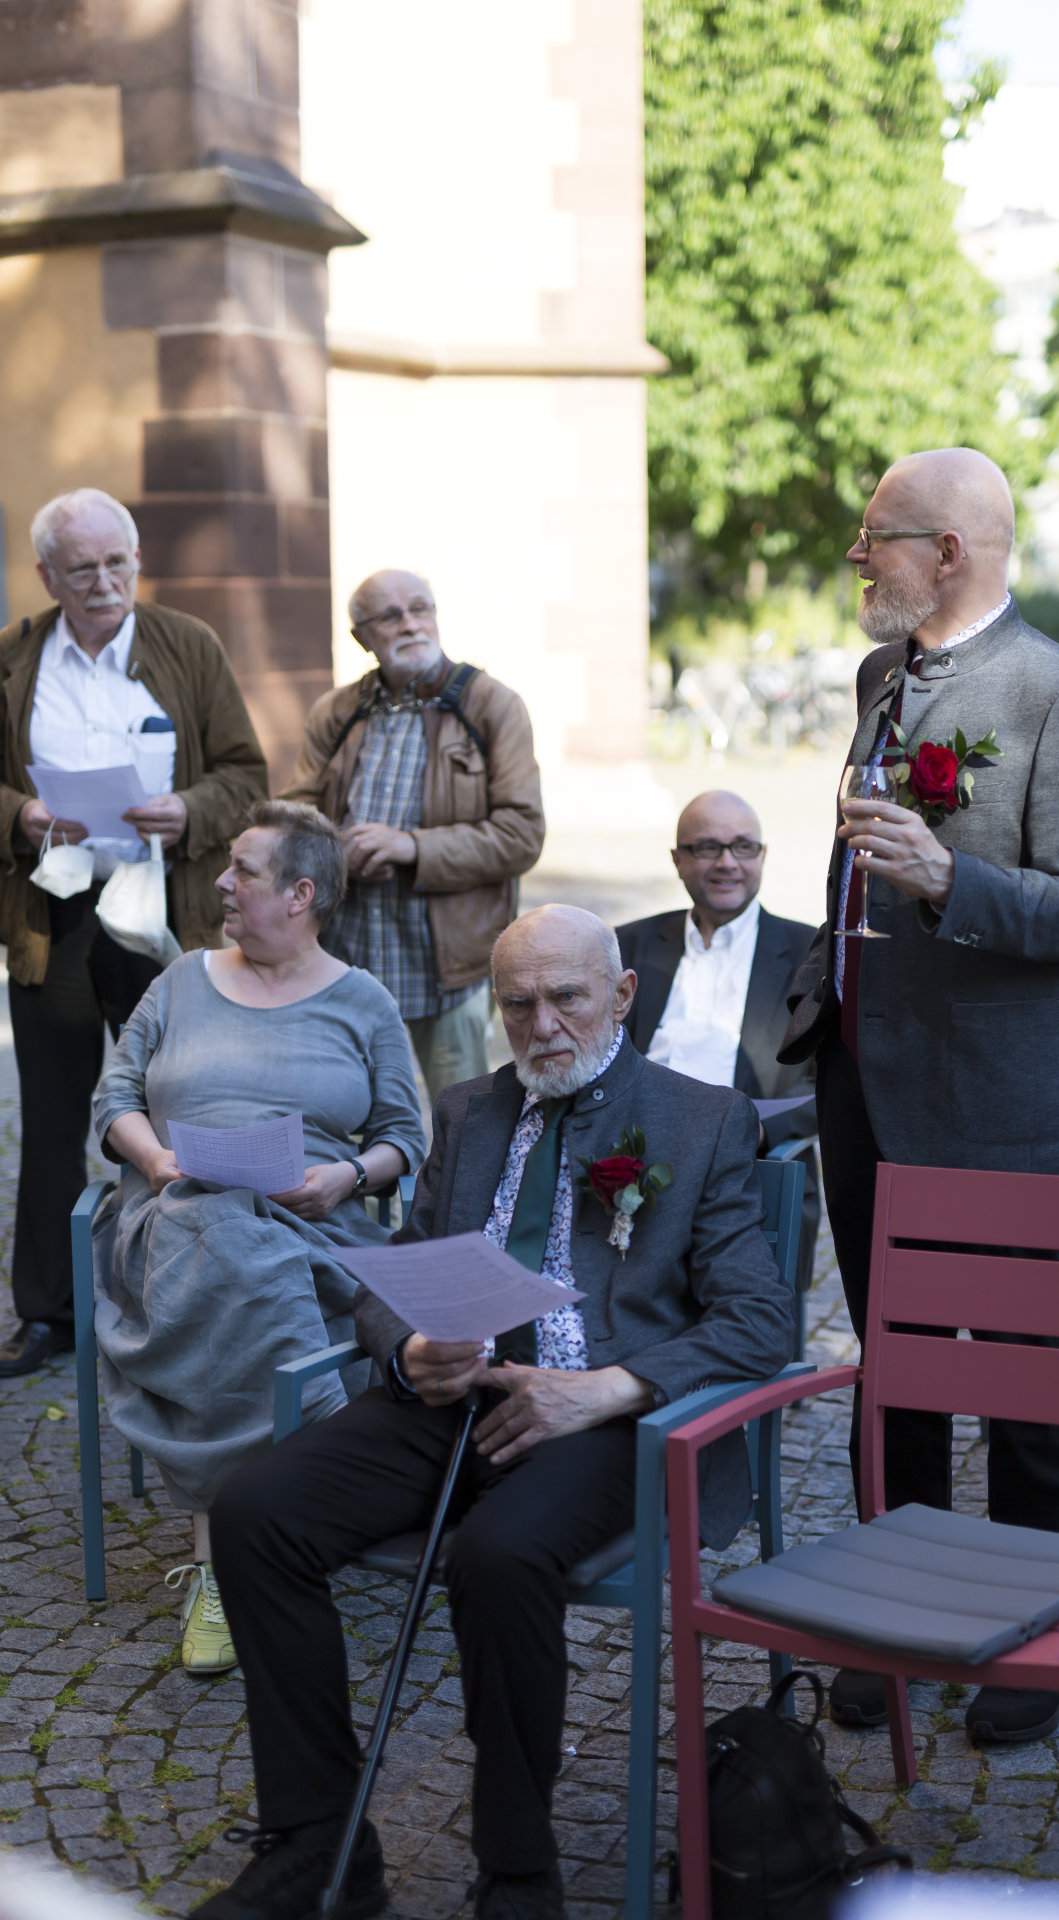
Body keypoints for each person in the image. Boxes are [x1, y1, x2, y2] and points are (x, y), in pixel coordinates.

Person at [202, 904, 794, 1920]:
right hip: (456, 1399)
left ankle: (518, 1869)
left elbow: (760, 1321)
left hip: (611, 1419)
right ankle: (316, 1845)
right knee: (255, 1513)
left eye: (565, 998)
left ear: (619, 996)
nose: (541, 1026)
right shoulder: (469, 1110)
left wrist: (609, 1389)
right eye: (516, 1004)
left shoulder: (700, 1122)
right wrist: (408, 1347)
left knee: (499, 1553)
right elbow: (392, 1275)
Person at [779, 448, 1059, 1746]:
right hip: (864, 1088)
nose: (857, 557)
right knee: (897, 1374)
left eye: (877, 536)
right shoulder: (885, 678)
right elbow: (850, 867)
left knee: (1030, 1389)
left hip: (1000, 1108)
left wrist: (948, 878)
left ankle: (1038, 1640)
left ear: (951, 552)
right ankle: (897, 1626)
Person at [92, 801, 426, 1673]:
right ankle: (272, 1520)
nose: (221, 883)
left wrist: (345, 1177)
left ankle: (231, 1550)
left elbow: (407, 1135)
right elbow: (113, 1099)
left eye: (243, 869)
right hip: (168, 1216)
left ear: (301, 894)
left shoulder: (364, 1001)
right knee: (224, 1235)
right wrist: (158, 1159)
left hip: (314, 1226)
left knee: (252, 1250)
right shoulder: (178, 981)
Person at [0, 488, 268, 1378]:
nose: (106, 581)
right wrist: (24, 814)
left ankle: (189, 1294)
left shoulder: (186, 645)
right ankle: (49, 1313)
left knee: (181, 1106)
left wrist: (187, 808)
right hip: (56, 913)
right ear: (47, 575)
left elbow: (245, 770)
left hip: (167, 911)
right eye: (83, 568)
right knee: (50, 1120)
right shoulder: (14, 660)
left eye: (119, 562)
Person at [282, 569, 545, 1103]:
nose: (409, 624)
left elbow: (522, 834)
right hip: (343, 957)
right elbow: (297, 813)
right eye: (389, 615)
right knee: (341, 1111)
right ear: (362, 636)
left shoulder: (492, 706)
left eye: (419, 608)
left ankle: (457, 1193)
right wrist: (339, 852)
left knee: (462, 1118)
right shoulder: (335, 712)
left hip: (446, 966)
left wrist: (411, 847)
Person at [617, 788, 818, 1295]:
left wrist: (755, 1131)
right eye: (707, 847)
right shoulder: (626, 945)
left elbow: (832, 1078)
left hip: (749, 1169)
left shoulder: (808, 951)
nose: (727, 863)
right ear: (678, 860)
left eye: (743, 847)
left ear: (763, 857)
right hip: (630, 1166)